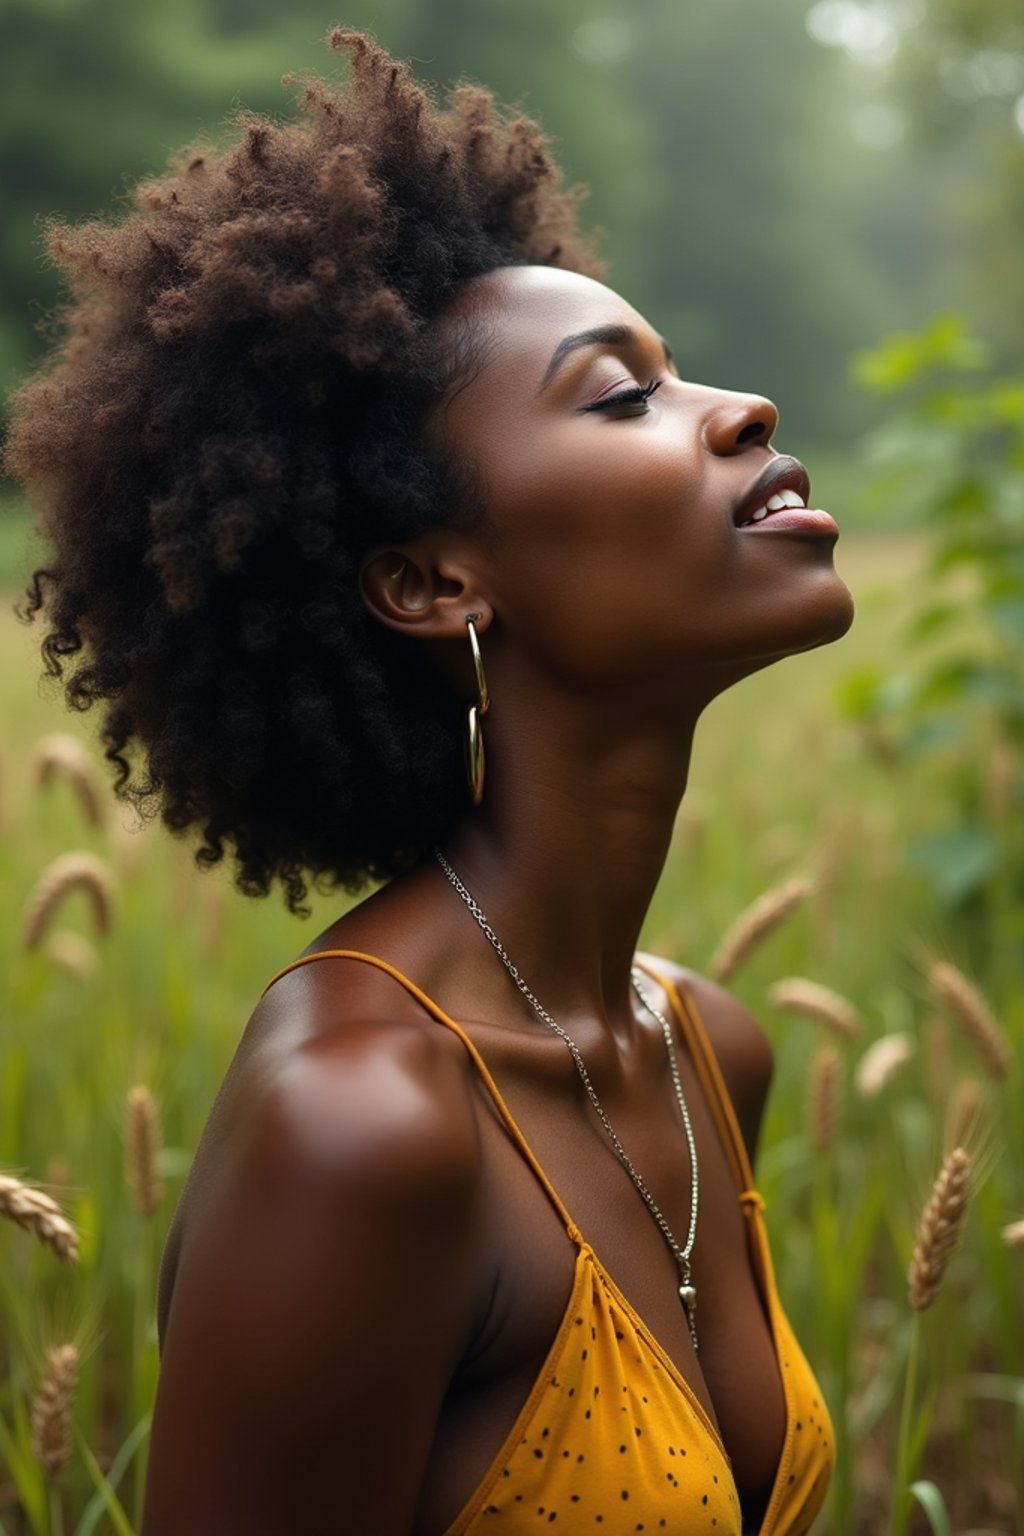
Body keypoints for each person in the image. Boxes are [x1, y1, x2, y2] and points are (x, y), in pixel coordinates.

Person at [5, 29, 854, 1536]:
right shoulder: (364, 1125)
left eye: (683, 372)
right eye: (622, 397)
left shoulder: (712, 1051)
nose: (743, 411)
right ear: (431, 581)